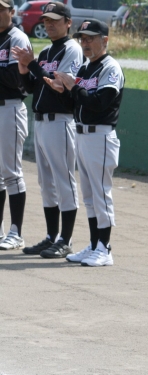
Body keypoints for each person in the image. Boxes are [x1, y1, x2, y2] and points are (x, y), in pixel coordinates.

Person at [44, 19, 125, 267]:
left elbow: (99, 103)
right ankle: (94, 244)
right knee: (89, 196)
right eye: (83, 39)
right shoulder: (85, 68)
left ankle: (105, 248)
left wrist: (73, 88)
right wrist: (63, 91)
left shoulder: (110, 67)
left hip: (101, 136)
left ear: (105, 40)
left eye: (91, 38)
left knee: (101, 194)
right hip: (82, 135)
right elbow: (75, 104)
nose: (85, 43)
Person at [12, 1, 84, 259]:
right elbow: (32, 88)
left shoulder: (72, 49)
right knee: (47, 183)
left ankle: (66, 239)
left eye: (55, 20)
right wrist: (24, 70)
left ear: (68, 23)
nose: (49, 24)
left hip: (61, 121)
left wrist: (31, 64)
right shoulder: (45, 52)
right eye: (46, 20)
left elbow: (59, 85)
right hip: (42, 122)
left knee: (64, 181)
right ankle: (52, 236)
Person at [0, 0, 30, 251]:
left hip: (9, 107)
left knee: (11, 172)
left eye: (0, 9)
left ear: (12, 11)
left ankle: (16, 232)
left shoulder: (17, 38)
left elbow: (15, 79)